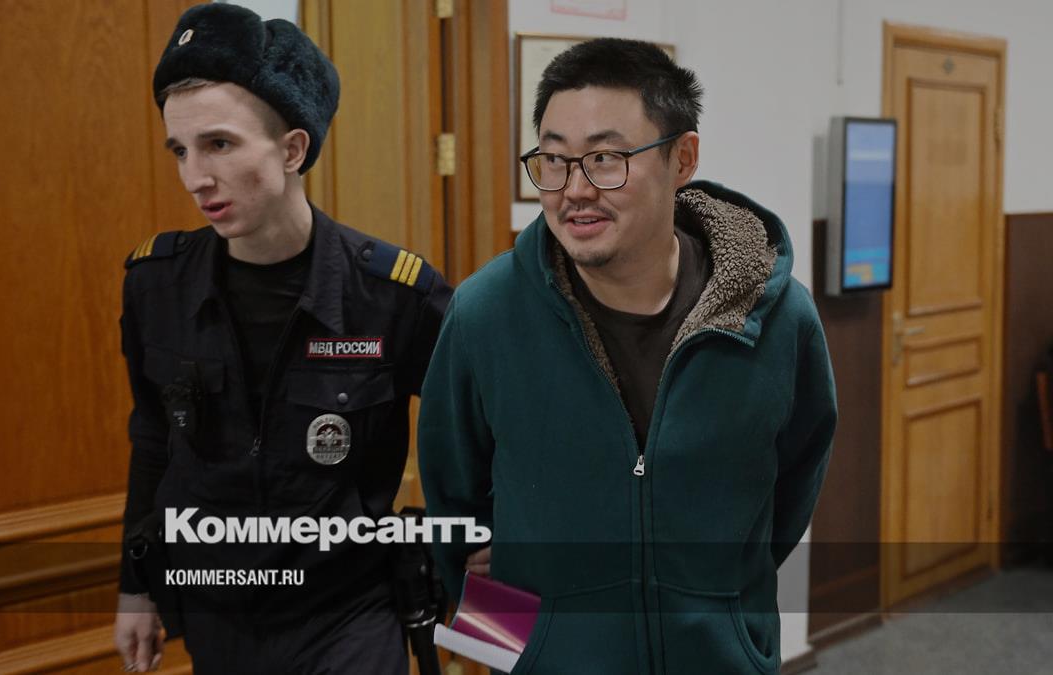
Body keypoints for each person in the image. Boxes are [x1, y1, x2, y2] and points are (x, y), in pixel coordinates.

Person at [418, 38, 836, 674]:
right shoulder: (485, 315)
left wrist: (723, 610)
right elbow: (454, 506)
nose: (573, 191)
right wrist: (511, 652)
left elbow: (789, 491)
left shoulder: (777, 318)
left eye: (605, 159)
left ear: (682, 158)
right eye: (553, 161)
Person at [113, 4, 450, 673]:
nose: (195, 176)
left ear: (293, 149)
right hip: (216, 612)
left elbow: (483, 439)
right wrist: (135, 586)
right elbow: (152, 442)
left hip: (347, 612)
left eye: (219, 144)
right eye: (180, 149)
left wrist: (478, 579)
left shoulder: (392, 295)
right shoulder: (156, 285)